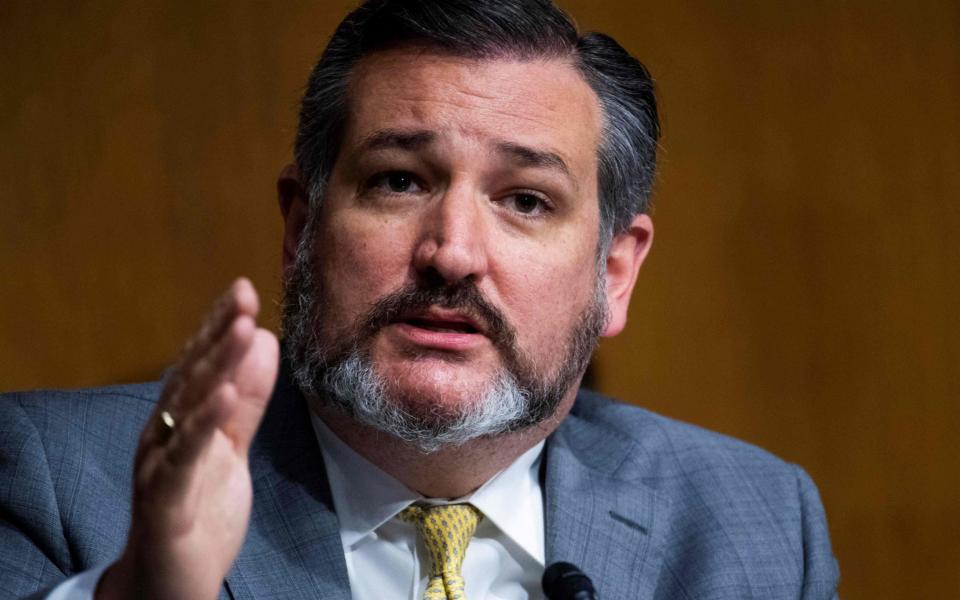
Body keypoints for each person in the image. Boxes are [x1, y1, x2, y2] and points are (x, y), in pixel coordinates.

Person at [0, 0, 840, 598]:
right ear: (301, 229)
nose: (452, 254)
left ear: (613, 273)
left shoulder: (755, 522)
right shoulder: (57, 478)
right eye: (399, 181)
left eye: (525, 200)